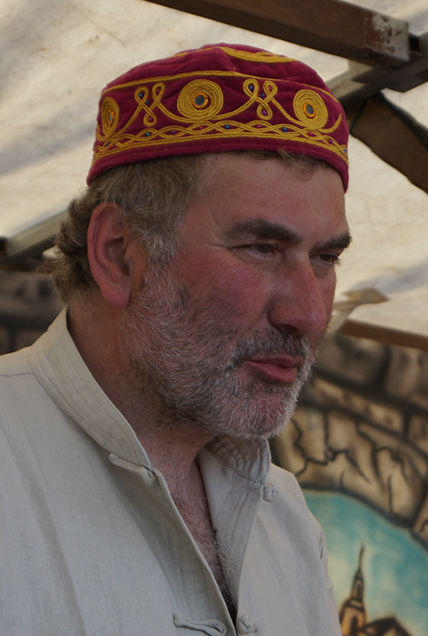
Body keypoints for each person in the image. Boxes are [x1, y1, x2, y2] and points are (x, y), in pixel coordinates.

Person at [0, 43, 351, 636]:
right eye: (262, 248)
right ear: (118, 253)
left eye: (326, 258)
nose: (309, 314)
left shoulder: (286, 519)